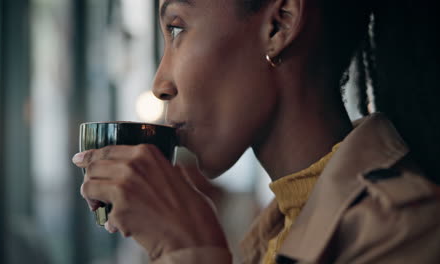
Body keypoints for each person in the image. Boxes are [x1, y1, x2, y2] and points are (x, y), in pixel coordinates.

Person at [72, 0, 440, 263]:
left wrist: (190, 252)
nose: (160, 83)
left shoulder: (401, 230)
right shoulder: (274, 233)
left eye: (177, 28)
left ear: (279, 24)